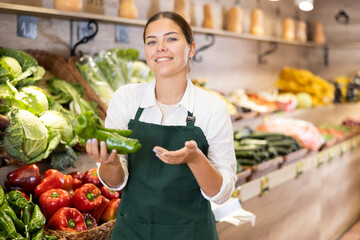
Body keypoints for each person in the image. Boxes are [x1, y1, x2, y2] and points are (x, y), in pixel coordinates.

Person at [86, 11, 236, 240]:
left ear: (191, 48)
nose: (160, 47)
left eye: (171, 39)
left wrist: (195, 159)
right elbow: (115, 183)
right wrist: (110, 162)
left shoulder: (212, 108)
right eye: (151, 41)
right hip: (131, 232)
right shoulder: (125, 99)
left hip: (191, 234)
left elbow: (222, 194)